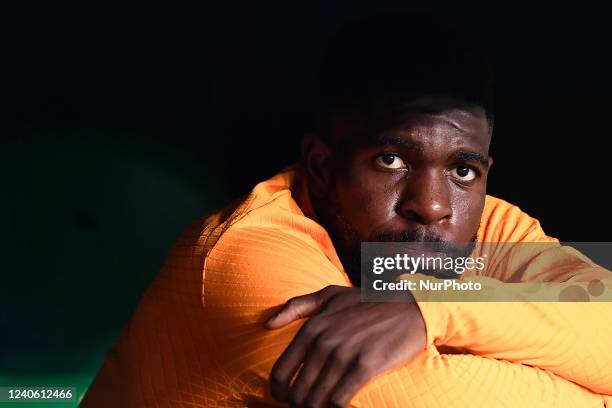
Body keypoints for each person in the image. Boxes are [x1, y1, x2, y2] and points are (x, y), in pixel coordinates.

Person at [81, 13, 612, 407]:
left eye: (463, 169)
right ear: (320, 165)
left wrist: (435, 304)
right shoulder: (245, 263)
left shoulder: (482, 221)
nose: (430, 207)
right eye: (391, 159)